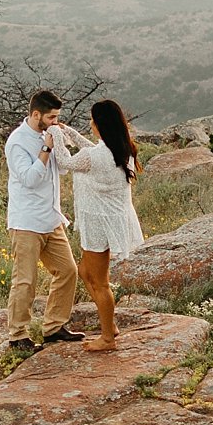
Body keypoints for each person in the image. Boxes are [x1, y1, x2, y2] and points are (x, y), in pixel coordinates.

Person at [50, 98, 145, 351]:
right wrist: (68, 132)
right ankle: (108, 325)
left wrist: (54, 135)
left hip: (99, 221)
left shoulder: (95, 156)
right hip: (112, 218)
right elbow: (91, 150)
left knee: (99, 281)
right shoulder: (120, 149)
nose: (90, 123)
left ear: (100, 124)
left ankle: (108, 337)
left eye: (92, 120)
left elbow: (66, 162)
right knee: (85, 272)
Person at [3, 89, 80, 346]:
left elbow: (64, 171)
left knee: (68, 271)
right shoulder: (17, 142)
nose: (55, 122)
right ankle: (18, 335)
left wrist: (61, 142)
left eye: (57, 117)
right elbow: (31, 179)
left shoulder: (51, 134)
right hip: (26, 222)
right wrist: (46, 147)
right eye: (51, 117)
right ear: (36, 114)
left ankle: (54, 326)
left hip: (51, 219)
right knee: (25, 280)